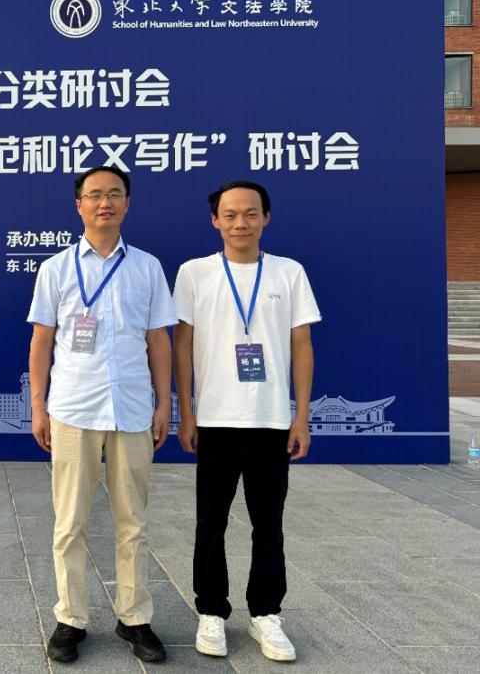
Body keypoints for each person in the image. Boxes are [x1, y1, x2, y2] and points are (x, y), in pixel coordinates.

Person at [27, 166, 176, 664]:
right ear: (79, 206)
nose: (104, 202)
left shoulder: (147, 268)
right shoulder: (56, 269)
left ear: (128, 203)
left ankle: (134, 617)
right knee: (69, 522)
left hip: (132, 409)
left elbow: (158, 339)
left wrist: (164, 403)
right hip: (73, 409)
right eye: (95, 195)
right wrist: (38, 406)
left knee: (133, 521)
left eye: (114, 194)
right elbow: (42, 341)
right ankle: (70, 618)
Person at [172, 181, 320, 662]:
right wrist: (186, 412)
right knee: (210, 522)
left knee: (268, 524)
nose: (241, 223)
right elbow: (182, 346)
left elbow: (302, 346)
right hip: (214, 419)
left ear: (266, 218)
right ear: (215, 220)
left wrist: (301, 416)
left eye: (251, 214)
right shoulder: (194, 273)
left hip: (270, 419)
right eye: (230, 214)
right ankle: (211, 612)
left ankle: (266, 614)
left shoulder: (289, 272)